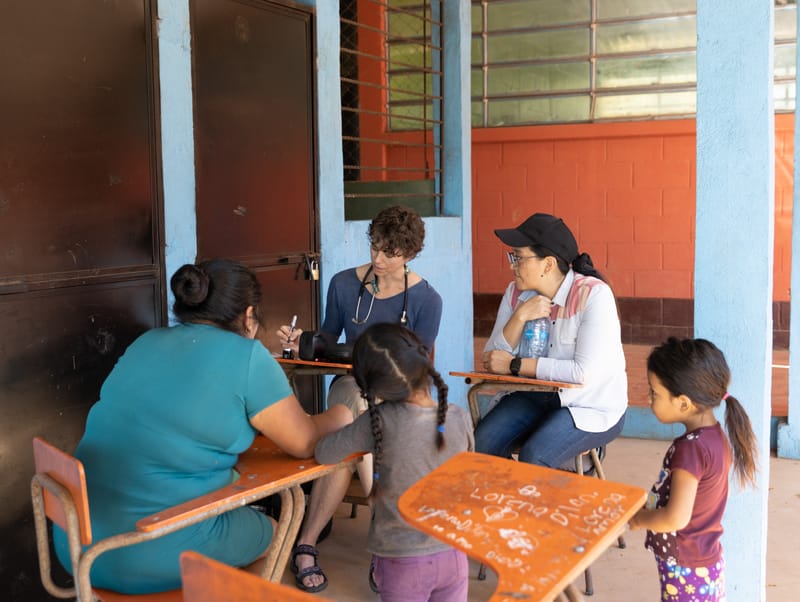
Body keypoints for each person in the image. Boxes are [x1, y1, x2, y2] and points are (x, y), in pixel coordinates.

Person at [53, 259, 351, 594]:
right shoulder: (248, 356)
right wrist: (339, 415)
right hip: (148, 549)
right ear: (249, 315)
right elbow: (303, 443)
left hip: (78, 544)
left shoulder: (146, 341)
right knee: (272, 531)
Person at [276, 205, 442, 592]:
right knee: (358, 406)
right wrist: (300, 343)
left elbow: (418, 368)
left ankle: (306, 544)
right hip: (351, 386)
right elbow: (328, 340)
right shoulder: (343, 284)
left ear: (411, 255)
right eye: (375, 248)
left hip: (399, 395)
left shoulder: (426, 300)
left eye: (391, 253)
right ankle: (387, 549)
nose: (379, 259)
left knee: (351, 444)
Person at [315, 323, 474, 602]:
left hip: (403, 560)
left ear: (373, 386)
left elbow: (325, 453)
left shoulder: (380, 420)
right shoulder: (459, 417)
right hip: (455, 552)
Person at [474, 212, 627, 469]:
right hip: (533, 395)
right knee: (482, 445)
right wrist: (520, 316)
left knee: (535, 456)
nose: (512, 265)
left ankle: (547, 501)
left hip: (586, 404)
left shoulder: (593, 295)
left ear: (547, 264)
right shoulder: (515, 294)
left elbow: (581, 373)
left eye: (519, 257)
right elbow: (492, 358)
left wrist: (515, 365)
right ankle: (509, 505)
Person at [628, 337, 758, 602]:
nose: (649, 398)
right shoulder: (715, 437)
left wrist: (638, 519)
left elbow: (676, 518)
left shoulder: (691, 450)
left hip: (686, 566)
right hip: (703, 562)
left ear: (684, 403)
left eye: (655, 393)